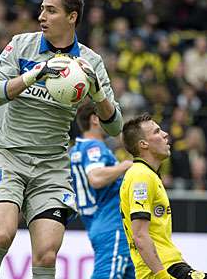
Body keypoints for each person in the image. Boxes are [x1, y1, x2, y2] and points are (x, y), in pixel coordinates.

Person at [0, 0, 124, 279]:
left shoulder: (90, 62)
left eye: (51, 10)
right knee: (2, 234)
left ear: (72, 17)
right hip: (7, 154)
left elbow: (115, 126)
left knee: (46, 253)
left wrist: (97, 94)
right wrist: (33, 75)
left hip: (51, 165)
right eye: (42, 8)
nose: (41, 15)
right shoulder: (21, 45)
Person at [119, 114, 207, 279]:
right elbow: (140, 235)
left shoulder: (148, 174)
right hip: (162, 270)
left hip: (170, 265)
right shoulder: (141, 176)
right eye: (157, 132)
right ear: (143, 144)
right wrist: (162, 275)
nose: (165, 134)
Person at [70, 102, 134, 279]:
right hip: (111, 224)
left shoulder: (76, 149)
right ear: (95, 119)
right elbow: (96, 177)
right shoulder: (93, 147)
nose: (113, 123)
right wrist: (125, 166)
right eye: (108, 117)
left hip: (101, 223)